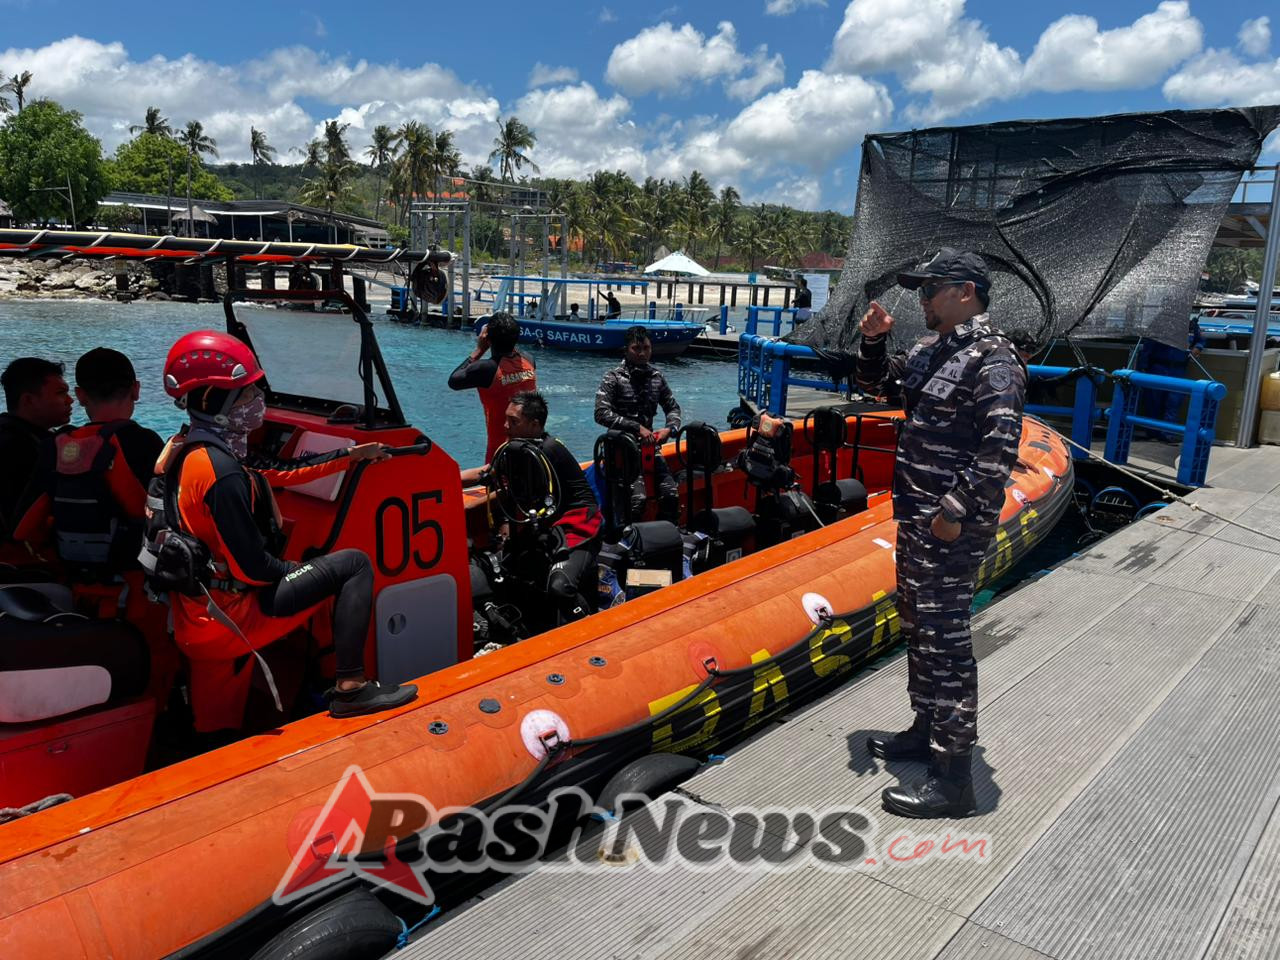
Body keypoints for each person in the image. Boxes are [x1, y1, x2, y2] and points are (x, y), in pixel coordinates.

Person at [156, 330, 417, 731]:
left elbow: (279, 471)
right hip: (231, 616)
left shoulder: (188, 447)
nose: (258, 401)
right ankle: (350, 688)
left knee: (212, 730)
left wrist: (352, 455)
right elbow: (255, 570)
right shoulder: (222, 474)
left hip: (197, 612)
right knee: (353, 565)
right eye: (246, 395)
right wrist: (304, 570)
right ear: (215, 402)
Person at [856, 248, 1026, 819]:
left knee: (947, 640)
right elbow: (877, 386)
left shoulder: (993, 359)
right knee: (919, 627)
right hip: (918, 516)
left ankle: (954, 779)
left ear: (966, 291)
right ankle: (926, 727)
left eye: (930, 288)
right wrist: (875, 340)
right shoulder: (934, 350)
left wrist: (953, 511)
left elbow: (999, 449)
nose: (921, 299)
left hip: (948, 525)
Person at [15, 348, 163, 573]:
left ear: (81, 395)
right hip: (137, 590)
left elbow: (22, 530)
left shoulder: (56, 446)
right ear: (136, 390)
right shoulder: (146, 442)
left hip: (74, 589)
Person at [462, 391, 602, 625]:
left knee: (560, 588)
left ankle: (595, 628)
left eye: (513, 421)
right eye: (506, 419)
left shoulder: (549, 450)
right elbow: (486, 475)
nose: (505, 426)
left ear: (535, 425)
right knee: (502, 573)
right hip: (545, 526)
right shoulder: (517, 450)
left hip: (577, 527)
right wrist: (441, 480)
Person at [594, 325, 682, 524]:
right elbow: (601, 413)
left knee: (671, 495)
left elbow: (673, 407)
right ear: (626, 349)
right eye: (636, 348)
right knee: (637, 501)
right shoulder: (613, 377)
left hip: (650, 448)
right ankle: (625, 540)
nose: (642, 353)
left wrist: (671, 428)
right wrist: (636, 427)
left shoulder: (656, 377)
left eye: (646, 348)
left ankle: (663, 536)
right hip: (620, 451)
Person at [0, 357, 72, 545]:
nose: (70, 400)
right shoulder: (18, 448)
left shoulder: (21, 435)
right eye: (61, 393)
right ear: (28, 400)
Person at [447, 312, 537, 463]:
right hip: (531, 448)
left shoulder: (486, 369)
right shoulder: (529, 360)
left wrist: (479, 350)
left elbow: (453, 381)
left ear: (487, 339)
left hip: (501, 451)